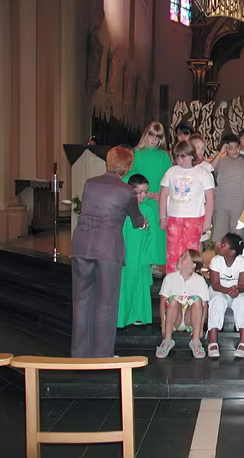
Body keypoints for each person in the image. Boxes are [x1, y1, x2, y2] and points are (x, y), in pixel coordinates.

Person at [71, 146, 146, 358]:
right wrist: (143, 222)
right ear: (127, 168)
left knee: (81, 302)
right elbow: (136, 220)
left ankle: (79, 355)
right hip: (107, 250)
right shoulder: (127, 191)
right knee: (106, 304)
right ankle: (102, 356)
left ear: (108, 162)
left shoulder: (90, 183)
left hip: (81, 245)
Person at [125, 121, 172, 277]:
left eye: (157, 137)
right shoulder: (136, 154)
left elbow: (169, 177)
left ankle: (155, 264)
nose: (154, 139)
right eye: (151, 135)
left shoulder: (164, 156)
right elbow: (130, 175)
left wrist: (162, 194)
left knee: (157, 233)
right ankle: (142, 262)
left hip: (158, 200)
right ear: (146, 135)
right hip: (141, 199)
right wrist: (145, 192)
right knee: (143, 231)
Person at [159, 140, 215, 273]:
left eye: (183, 157)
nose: (180, 160)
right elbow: (164, 194)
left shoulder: (203, 172)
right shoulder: (171, 171)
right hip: (174, 218)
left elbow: (210, 198)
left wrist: (207, 221)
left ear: (191, 156)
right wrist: (162, 216)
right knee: (173, 251)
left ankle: (190, 279)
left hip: (194, 218)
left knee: (191, 252)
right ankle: (173, 279)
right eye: (177, 157)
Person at [156, 249, 208, 359]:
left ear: (193, 265)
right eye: (181, 256)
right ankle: (167, 340)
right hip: (174, 319)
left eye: (184, 258)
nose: (180, 259)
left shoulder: (200, 281)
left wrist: (201, 328)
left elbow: (204, 306)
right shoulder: (169, 278)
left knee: (197, 300)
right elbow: (162, 304)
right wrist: (163, 325)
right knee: (174, 300)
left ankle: (195, 341)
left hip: (191, 319)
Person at [117, 174, 153, 328]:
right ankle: (123, 316)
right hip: (125, 252)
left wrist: (148, 256)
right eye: (139, 192)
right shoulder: (121, 209)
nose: (143, 195)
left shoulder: (148, 210)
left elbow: (151, 236)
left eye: (145, 192)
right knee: (125, 284)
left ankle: (138, 314)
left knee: (140, 283)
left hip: (141, 254)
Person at [207, 233, 244, 358]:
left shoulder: (242, 262)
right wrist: (228, 290)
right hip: (218, 290)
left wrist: (237, 290)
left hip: (236, 291)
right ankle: (213, 341)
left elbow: (243, 285)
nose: (219, 245)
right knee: (218, 301)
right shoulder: (215, 260)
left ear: (231, 252)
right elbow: (215, 285)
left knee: (241, 302)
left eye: (223, 244)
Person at [212, 134, 244, 243]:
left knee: (237, 238)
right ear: (225, 148)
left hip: (238, 206)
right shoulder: (220, 161)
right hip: (221, 205)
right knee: (219, 237)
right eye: (230, 148)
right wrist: (221, 153)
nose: (234, 150)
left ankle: (237, 254)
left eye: (236, 147)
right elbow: (209, 168)